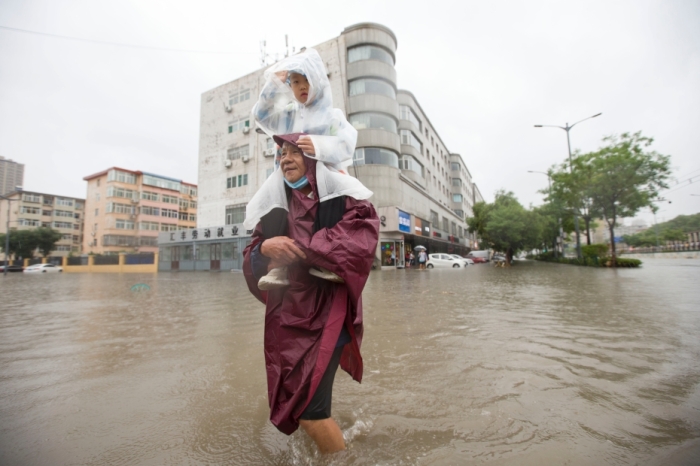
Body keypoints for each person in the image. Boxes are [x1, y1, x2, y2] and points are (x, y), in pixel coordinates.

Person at [243, 133, 379, 454]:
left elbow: (359, 237)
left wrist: (300, 248)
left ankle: (341, 457)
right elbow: (253, 252)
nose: (285, 159)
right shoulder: (276, 207)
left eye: (294, 152)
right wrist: (266, 247)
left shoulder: (342, 197)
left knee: (310, 413)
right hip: (288, 319)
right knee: (298, 402)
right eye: (281, 154)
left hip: (327, 316)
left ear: (315, 157)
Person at [246, 48, 358, 290]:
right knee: (273, 204)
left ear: (318, 80)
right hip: (289, 180)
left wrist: (320, 145)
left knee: (333, 195)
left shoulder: (332, 116)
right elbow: (261, 116)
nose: (301, 87)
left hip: (323, 179)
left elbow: (347, 144)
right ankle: (278, 266)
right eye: (295, 82)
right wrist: (275, 83)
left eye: (307, 80)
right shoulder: (289, 115)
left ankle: (327, 259)